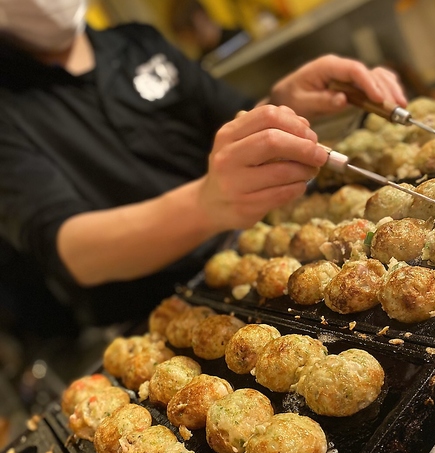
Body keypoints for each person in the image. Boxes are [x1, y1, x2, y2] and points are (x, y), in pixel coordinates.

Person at [0, 0, 407, 332]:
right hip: (157, 315)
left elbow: (230, 126)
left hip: (261, 258)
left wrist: (282, 108)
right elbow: (69, 249)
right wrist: (206, 204)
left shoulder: (139, 43)